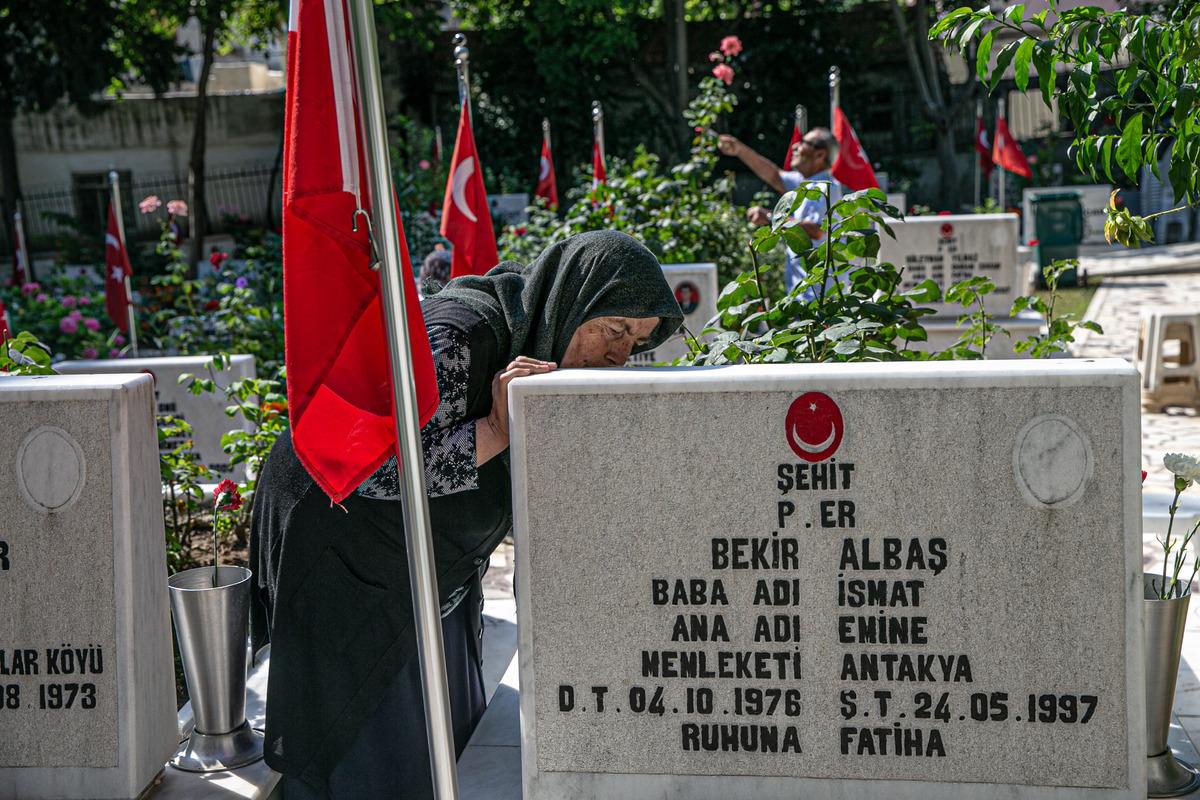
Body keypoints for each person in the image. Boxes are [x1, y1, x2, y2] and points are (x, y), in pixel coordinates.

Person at [249, 230, 683, 799]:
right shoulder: (460, 335)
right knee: (369, 755)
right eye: (615, 328)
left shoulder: (536, 344)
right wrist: (498, 429)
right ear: (573, 297)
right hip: (344, 551)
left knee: (445, 743)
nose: (620, 354)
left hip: (423, 567)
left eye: (637, 341)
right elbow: (374, 468)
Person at [718, 127, 844, 297]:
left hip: (820, 296)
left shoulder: (827, 187)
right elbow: (772, 174)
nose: (796, 147)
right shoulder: (805, 183)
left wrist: (771, 218)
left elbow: (816, 230)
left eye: (804, 143)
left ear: (820, 155)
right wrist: (739, 149)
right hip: (802, 293)